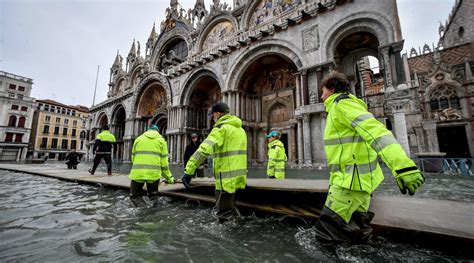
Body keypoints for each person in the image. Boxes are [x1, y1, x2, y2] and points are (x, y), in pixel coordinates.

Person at [315, 71, 425, 245]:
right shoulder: (345, 106)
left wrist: (403, 166)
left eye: (323, 92)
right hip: (356, 183)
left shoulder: (342, 106)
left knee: (325, 238)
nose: (321, 97)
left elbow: (377, 133)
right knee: (358, 235)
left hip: (349, 184)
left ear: (332, 89)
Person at [182, 102, 247, 223]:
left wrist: (189, 171)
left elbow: (203, 150)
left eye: (213, 115)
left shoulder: (221, 129)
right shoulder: (240, 130)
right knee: (232, 213)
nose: (213, 118)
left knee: (223, 218)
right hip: (238, 180)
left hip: (225, 181)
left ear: (217, 114)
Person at [128, 124, 175, 207]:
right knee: (153, 196)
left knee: (134, 197)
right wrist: (169, 178)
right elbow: (164, 164)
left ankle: (142, 209)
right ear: (157, 131)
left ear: (147, 130)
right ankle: (154, 212)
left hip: (138, 173)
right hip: (153, 174)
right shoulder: (161, 141)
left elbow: (133, 158)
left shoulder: (138, 139)